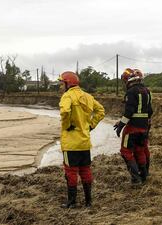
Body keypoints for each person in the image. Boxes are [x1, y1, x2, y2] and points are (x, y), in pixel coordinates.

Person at [58, 71, 105, 208]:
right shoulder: (88, 96)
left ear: (68, 83)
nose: (60, 86)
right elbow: (101, 111)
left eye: (62, 83)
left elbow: (65, 111)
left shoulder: (67, 96)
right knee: (85, 170)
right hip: (84, 142)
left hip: (71, 143)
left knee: (71, 172)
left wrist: (67, 125)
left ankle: (72, 202)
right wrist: (91, 125)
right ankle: (88, 201)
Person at [114, 68, 153, 184]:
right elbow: (149, 111)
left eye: (125, 80)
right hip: (144, 127)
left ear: (129, 79)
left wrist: (121, 125)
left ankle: (136, 179)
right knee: (140, 150)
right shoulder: (146, 91)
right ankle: (144, 175)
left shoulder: (131, 91)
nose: (125, 83)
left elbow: (129, 112)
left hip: (132, 128)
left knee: (126, 152)